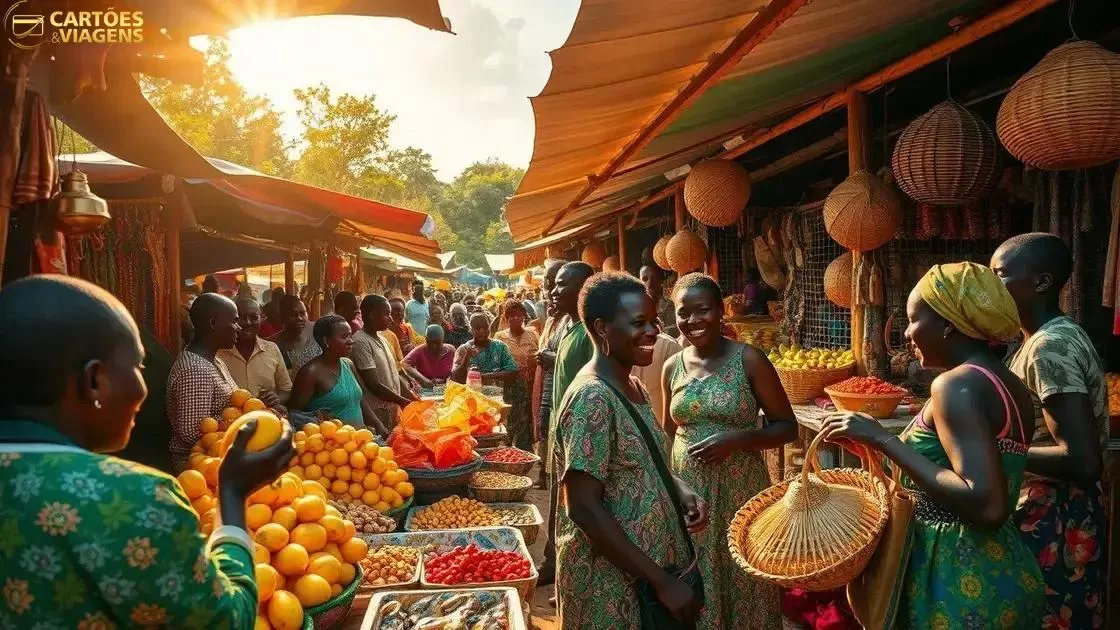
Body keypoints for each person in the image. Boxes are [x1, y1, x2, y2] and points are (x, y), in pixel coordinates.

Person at [0, 276, 295, 628]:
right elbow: (224, 621)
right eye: (139, 367)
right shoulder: (136, 498)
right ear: (95, 380)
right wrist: (231, 494)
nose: (144, 389)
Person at [820, 262, 1044, 626]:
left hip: (955, 579)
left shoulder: (956, 386)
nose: (907, 332)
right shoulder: (1008, 383)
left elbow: (986, 504)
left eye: (913, 320)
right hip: (1004, 568)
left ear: (947, 323)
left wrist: (884, 439)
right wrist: (880, 449)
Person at [553, 271, 709, 629]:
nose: (654, 331)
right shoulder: (593, 398)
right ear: (602, 328)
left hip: (648, 581)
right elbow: (583, 507)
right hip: (615, 589)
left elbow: (641, 460)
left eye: (654, 321)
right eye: (639, 322)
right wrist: (662, 581)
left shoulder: (631, 384)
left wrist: (680, 489)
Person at [662, 273, 796, 628]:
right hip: (690, 497)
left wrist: (736, 440)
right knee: (698, 577)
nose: (692, 320)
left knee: (743, 576)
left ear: (721, 312)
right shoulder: (671, 367)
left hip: (741, 492)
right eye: (683, 312)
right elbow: (667, 433)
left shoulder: (749, 360)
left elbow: (787, 426)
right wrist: (675, 486)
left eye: (702, 310)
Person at [991, 233, 1109, 628]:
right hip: (1050, 512)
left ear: (1041, 283)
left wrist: (994, 450)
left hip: (1058, 521)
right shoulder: (1038, 340)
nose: (992, 286)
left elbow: (1081, 459)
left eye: (1001, 275)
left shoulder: (1049, 347)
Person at [541, 261, 596, 586]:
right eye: (554, 284)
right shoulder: (568, 329)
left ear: (582, 290)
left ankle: (567, 571)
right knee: (556, 505)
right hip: (560, 432)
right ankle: (554, 564)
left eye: (562, 284)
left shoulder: (587, 335)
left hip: (578, 437)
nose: (553, 290)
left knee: (572, 510)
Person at [167, 293, 241, 472]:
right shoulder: (196, 369)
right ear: (213, 323)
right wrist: (237, 421)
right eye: (234, 321)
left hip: (216, 459)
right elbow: (192, 431)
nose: (238, 327)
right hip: (200, 467)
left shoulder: (213, 360)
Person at [289, 315, 387, 434]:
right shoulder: (310, 373)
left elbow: (360, 400)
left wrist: (377, 424)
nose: (351, 341)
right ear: (326, 341)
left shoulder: (348, 364)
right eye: (344, 337)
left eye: (350, 335)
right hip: (332, 446)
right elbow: (294, 414)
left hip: (359, 441)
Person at [350, 295, 417, 430]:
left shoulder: (384, 339)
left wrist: (410, 396)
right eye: (387, 314)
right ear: (371, 315)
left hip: (391, 409)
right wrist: (402, 400)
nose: (391, 319)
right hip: (376, 412)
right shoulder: (360, 341)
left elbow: (394, 373)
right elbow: (373, 384)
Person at [217, 297, 292, 414]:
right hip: (231, 421)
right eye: (242, 318)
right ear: (233, 321)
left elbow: (286, 390)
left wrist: (277, 396)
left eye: (254, 317)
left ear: (261, 318)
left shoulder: (272, 349)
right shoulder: (219, 354)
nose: (248, 322)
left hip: (267, 419)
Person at [495, 300, 540, 451]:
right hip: (509, 386)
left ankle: (524, 452)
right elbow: (497, 362)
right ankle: (507, 453)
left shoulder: (533, 334)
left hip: (530, 384)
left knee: (527, 421)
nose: (515, 318)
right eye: (511, 316)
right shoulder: (500, 337)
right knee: (510, 421)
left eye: (518, 315)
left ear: (524, 316)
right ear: (506, 319)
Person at [451, 313, 519, 385]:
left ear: (489, 327)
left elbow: (513, 371)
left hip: (496, 394)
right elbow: (455, 378)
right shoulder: (464, 349)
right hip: (471, 394)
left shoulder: (500, 346)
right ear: (471, 330)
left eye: (485, 327)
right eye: (477, 328)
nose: (481, 331)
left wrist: (483, 376)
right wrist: (466, 358)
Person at [269, 295, 321, 379]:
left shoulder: (318, 329)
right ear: (282, 317)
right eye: (293, 315)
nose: (299, 318)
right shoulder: (274, 344)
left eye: (302, 313)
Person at [641, 264, 678, 337]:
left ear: (660, 282)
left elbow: (674, 330)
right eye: (645, 279)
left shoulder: (669, 305)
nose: (649, 283)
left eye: (654, 279)